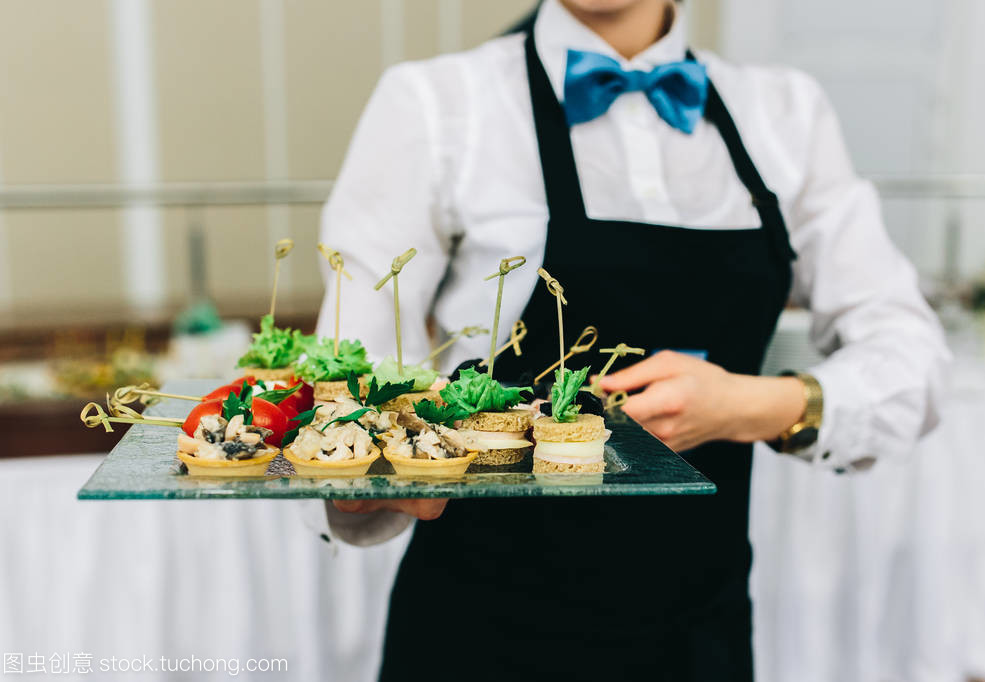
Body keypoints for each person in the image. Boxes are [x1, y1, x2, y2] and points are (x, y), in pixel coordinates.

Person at [315, 0, 949, 679]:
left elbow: (913, 363)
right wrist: (369, 465)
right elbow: (356, 377)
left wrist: (750, 405)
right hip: (481, 629)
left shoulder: (785, 111)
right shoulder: (437, 103)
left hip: (697, 631)